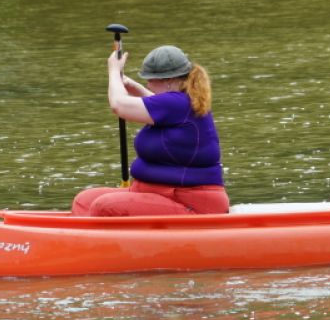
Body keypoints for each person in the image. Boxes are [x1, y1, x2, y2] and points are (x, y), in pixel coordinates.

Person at [72, 44, 229, 216]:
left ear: (168, 80)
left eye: (150, 79)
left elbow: (119, 105)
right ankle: (80, 238)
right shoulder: (177, 103)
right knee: (84, 200)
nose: (147, 83)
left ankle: (99, 241)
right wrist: (131, 85)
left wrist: (113, 71)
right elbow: (156, 103)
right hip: (155, 193)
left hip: (191, 204)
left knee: (105, 206)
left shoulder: (178, 103)